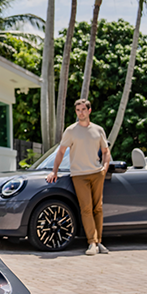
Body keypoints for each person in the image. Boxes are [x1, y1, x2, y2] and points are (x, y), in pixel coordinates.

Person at [45, 98, 111, 255]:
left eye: (83, 109)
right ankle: (92, 243)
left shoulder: (98, 130)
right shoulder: (71, 131)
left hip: (97, 173)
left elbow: (106, 151)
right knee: (86, 208)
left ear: (89, 111)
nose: (80, 113)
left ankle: (99, 241)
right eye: (78, 110)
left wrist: (104, 168)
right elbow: (61, 152)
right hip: (79, 175)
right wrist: (54, 171)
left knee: (98, 208)